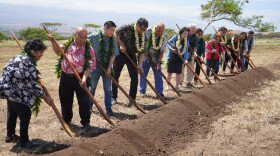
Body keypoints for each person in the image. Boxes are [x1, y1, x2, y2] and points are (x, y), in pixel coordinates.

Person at [0, 38, 53, 148]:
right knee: (25, 114)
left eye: (42, 52)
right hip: (15, 91)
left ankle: (10, 135)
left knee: (13, 112)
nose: (42, 55)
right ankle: (24, 141)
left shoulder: (18, 56)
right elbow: (31, 84)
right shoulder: (28, 63)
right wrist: (45, 97)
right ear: (32, 51)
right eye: (40, 52)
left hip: (6, 89)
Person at [48, 27, 96, 129]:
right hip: (66, 77)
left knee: (83, 100)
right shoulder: (67, 44)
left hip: (80, 77)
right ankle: (66, 119)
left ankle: (85, 122)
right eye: (80, 37)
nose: (83, 40)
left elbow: (89, 66)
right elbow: (58, 51)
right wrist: (53, 42)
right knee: (65, 99)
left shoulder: (89, 49)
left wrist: (84, 78)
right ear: (75, 35)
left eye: (85, 37)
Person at [112, 18, 148, 106]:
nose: (142, 31)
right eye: (141, 28)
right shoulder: (126, 27)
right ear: (137, 25)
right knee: (115, 75)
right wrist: (121, 45)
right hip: (119, 54)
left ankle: (132, 99)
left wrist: (139, 65)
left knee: (134, 78)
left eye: (145, 29)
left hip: (131, 56)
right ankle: (114, 97)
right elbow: (115, 34)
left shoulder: (144, 37)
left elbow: (142, 52)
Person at [87, 21, 119, 116]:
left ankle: (108, 109)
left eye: (114, 30)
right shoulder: (94, 36)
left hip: (106, 67)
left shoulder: (112, 40)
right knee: (92, 87)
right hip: (94, 66)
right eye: (111, 30)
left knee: (108, 89)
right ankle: (89, 107)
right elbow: (84, 43)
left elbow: (113, 54)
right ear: (105, 28)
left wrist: (109, 67)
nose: (112, 32)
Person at [139, 23, 166, 98]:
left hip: (156, 58)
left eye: (161, 31)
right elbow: (143, 44)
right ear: (155, 28)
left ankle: (159, 92)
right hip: (145, 56)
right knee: (143, 74)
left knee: (158, 75)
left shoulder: (163, 37)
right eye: (158, 31)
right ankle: (142, 91)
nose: (159, 33)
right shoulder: (148, 32)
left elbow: (162, 52)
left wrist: (158, 62)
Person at [166, 27, 189, 91]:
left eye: (187, 34)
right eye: (184, 33)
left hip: (180, 58)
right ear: (181, 33)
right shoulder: (175, 37)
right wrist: (171, 49)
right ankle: (167, 85)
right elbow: (167, 43)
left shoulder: (186, 41)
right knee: (169, 72)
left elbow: (186, 51)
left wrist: (186, 59)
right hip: (172, 57)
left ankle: (177, 86)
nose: (185, 35)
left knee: (178, 73)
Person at [184, 23, 197, 87]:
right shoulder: (185, 34)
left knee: (191, 67)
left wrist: (194, 52)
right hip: (183, 53)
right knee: (181, 68)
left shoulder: (195, 37)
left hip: (191, 53)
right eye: (192, 28)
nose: (194, 30)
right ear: (188, 28)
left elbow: (195, 46)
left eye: (194, 28)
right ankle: (180, 82)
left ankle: (188, 82)